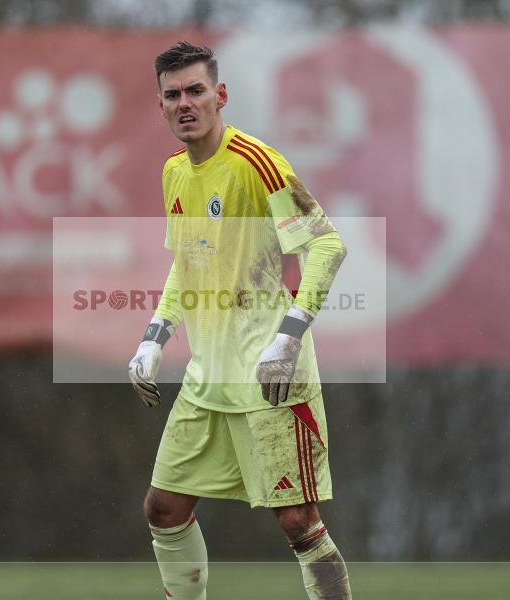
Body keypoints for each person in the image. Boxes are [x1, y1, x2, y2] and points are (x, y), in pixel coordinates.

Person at [128, 41, 351, 600]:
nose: (185, 103)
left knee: (298, 522)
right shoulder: (173, 173)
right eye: (173, 95)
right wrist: (154, 338)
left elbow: (327, 245)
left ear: (220, 95)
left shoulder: (258, 164)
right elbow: (188, 263)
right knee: (163, 508)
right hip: (208, 378)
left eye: (195, 91)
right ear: (160, 105)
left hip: (269, 373)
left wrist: (288, 337)